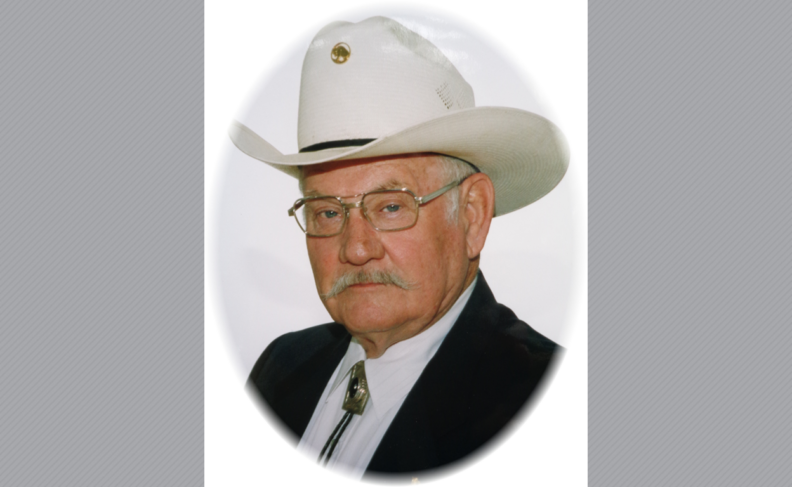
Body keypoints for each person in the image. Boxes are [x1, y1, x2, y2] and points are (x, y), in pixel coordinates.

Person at [229, 16, 569, 479]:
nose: (355, 249)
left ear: (472, 215)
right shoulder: (283, 365)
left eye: (391, 206)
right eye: (327, 212)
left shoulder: (544, 405)